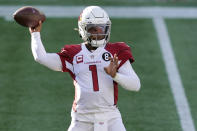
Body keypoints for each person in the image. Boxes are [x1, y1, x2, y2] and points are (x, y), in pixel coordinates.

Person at [29, 6, 140, 131]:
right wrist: (35, 34)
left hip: (110, 117)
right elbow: (41, 57)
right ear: (83, 29)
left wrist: (115, 75)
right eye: (93, 29)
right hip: (81, 119)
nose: (99, 32)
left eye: (102, 28)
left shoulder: (116, 51)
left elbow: (135, 85)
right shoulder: (73, 53)